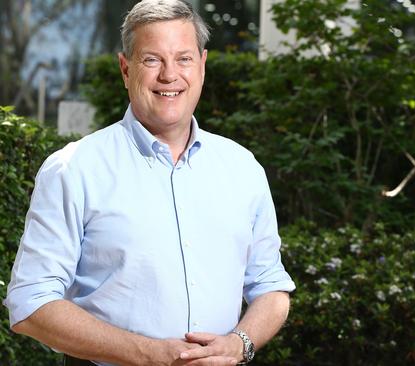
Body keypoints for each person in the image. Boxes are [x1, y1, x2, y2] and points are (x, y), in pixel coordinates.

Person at [3, 1, 295, 365]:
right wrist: (146, 354)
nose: (170, 75)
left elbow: (270, 286)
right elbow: (31, 303)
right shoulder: (73, 170)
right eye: (152, 60)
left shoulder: (243, 168)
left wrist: (241, 343)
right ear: (126, 69)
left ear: (202, 66)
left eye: (183, 59)